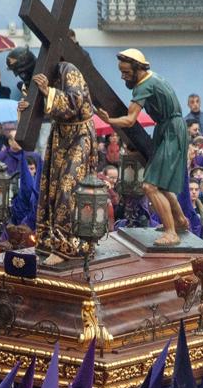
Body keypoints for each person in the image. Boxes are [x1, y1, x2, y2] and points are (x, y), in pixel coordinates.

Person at [97, 49, 188, 247]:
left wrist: (108, 120)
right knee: (161, 183)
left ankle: (171, 232)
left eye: (126, 72)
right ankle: (180, 221)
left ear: (138, 69)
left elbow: (130, 120)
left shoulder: (143, 86)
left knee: (150, 186)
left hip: (170, 132)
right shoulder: (153, 79)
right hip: (169, 130)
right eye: (121, 72)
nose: (123, 76)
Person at [19, 59, 98, 265]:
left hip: (80, 136)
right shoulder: (37, 80)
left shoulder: (69, 70)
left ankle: (67, 247)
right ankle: (49, 242)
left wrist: (48, 91)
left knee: (67, 189)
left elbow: (74, 103)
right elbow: (40, 111)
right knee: (51, 191)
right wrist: (25, 109)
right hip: (59, 136)